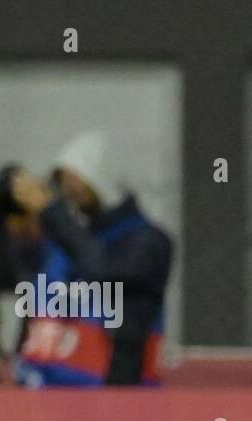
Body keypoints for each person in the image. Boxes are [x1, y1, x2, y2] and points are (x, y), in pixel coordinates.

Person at [9, 130, 172, 386]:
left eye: (77, 180)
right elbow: (30, 292)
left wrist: (52, 214)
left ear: (101, 179)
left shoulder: (149, 243)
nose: (68, 190)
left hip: (115, 403)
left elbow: (102, 270)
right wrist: (22, 237)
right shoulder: (68, 239)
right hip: (44, 393)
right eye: (63, 182)